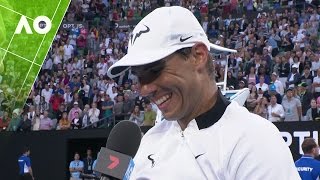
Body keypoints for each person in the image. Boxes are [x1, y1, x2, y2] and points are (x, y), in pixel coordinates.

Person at [107, 6, 300, 179]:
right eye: (138, 77)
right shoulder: (150, 140)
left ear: (198, 56)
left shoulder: (255, 141)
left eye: (152, 71)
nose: (144, 89)